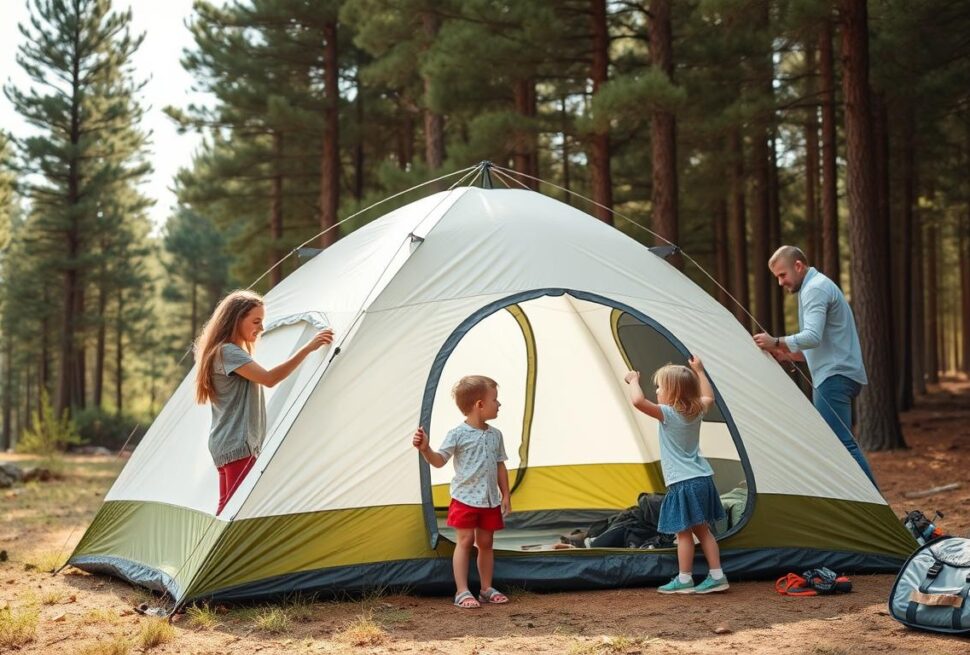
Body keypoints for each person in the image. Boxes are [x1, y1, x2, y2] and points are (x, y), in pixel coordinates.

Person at [195, 290, 333, 515]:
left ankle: (216, 550)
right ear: (236, 320)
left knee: (227, 507)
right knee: (236, 511)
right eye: (256, 321)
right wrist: (308, 347)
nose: (261, 328)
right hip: (237, 443)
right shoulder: (229, 352)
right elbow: (270, 379)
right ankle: (227, 551)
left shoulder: (221, 351)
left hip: (226, 442)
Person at [752, 245, 875, 485]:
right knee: (839, 444)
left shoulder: (815, 288)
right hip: (839, 373)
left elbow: (812, 336)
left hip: (834, 377)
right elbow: (822, 344)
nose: (780, 282)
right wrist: (787, 354)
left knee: (841, 445)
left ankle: (879, 508)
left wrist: (776, 341)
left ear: (798, 266)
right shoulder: (815, 286)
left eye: (782, 275)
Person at [624, 357, 729, 594]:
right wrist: (700, 371)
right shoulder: (697, 410)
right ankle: (717, 575)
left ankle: (684, 579)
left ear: (672, 392)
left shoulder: (668, 414)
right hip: (703, 478)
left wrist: (633, 380)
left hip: (683, 483)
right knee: (704, 531)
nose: (657, 391)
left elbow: (638, 401)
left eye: (660, 387)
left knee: (683, 533)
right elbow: (709, 397)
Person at [412, 375, 511, 609]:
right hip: (465, 499)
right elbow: (438, 461)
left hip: (489, 501)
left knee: (486, 542)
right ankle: (462, 591)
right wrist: (426, 449)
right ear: (480, 404)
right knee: (465, 540)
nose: (499, 404)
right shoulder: (457, 434)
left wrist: (505, 494)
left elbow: (500, 465)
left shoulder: (496, 435)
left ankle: (486, 589)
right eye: (495, 400)